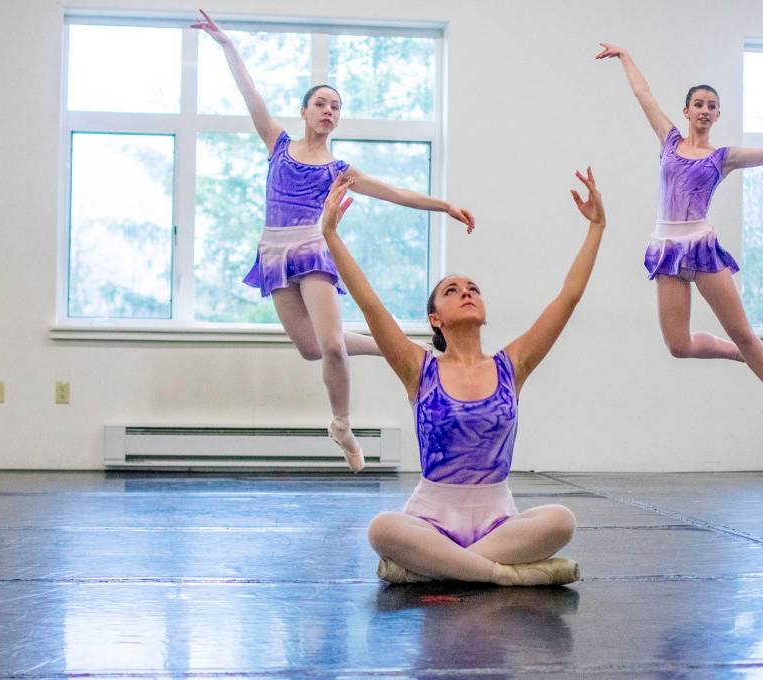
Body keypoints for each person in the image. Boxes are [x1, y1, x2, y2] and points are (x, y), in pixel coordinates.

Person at [192, 10, 475, 469]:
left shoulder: (338, 171)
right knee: (311, 348)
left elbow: (395, 192)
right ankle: (394, 343)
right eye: (321, 103)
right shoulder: (277, 143)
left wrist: (443, 205)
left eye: (336, 107)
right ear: (304, 111)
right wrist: (227, 46)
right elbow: (251, 95)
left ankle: (342, 424)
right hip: (274, 251)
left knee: (332, 346)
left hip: (313, 249)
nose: (329, 110)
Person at [318, 169, 607, 585]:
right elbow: (370, 305)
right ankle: (504, 574)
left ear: (484, 311)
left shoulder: (514, 364)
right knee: (382, 528)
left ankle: (433, 568)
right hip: (430, 516)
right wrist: (330, 235)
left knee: (561, 521)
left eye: (473, 288)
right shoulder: (418, 368)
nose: (467, 292)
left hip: (498, 519)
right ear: (435, 318)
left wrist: (597, 226)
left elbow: (569, 296)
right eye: (452, 291)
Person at [596, 43, 763, 442]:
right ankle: (738, 354)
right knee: (678, 345)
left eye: (712, 106)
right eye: (698, 104)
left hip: (701, 246)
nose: (705, 110)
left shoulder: (722, 157)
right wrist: (623, 55)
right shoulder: (668, 140)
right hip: (667, 248)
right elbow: (643, 94)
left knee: (743, 330)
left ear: (717, 115)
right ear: (687, 111)